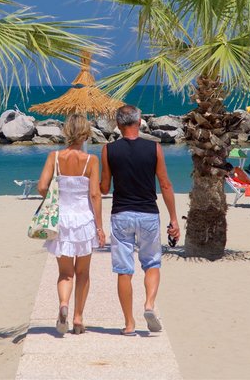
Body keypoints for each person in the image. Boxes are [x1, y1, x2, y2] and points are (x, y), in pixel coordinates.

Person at [100, 105, 180, 336]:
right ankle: (149, 305)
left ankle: (129, 324)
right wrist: (174, 219)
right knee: (152, 263)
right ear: (139, 121)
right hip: (148, 214)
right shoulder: (154, 148)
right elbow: (165, 184)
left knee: (124, 270)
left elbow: (105, 187)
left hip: (122, 214)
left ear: (118, 124)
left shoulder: (108, 150)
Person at [36, 113, 104, 335]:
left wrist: (54, 199)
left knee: (65, 273)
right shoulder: (91, 161)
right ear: (85, 134)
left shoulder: (54, 157)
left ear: (66, 132)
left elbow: (41, 187)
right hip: (84, 220)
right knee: (83, 272)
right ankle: (77, 318)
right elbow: (95, 194)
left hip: (61, 219)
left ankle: (63, 304)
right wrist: (100, 228)